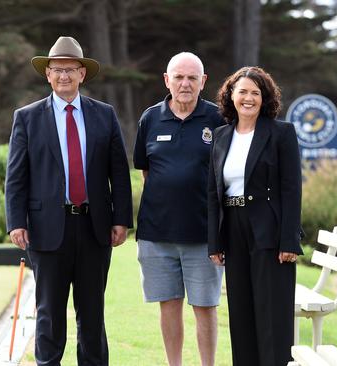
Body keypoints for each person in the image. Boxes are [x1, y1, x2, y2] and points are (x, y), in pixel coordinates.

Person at [5, 36, 133, 366]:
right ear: (47, 74)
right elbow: (16, 176)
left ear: (82, 74)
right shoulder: (27, 117)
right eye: (57, 70)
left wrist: (121, 218)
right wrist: (16, 221)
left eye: (71, 69)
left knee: (92, 315)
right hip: (47, 230)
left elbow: (118, 171)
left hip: (94, 229)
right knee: (49, 315)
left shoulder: (104, 115)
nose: (64, 76)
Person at [207, 66, 303, 365]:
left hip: (269, 231)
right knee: (241, 311)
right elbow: (213, 192)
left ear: (265, 98)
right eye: (242, 91)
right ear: (231, 96)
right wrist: (215, 242)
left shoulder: (281, 133)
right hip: (233, 230)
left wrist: (289, 240)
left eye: (255, 93)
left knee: (272, 312)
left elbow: (291, 189)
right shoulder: (221, 136)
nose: (248, 98)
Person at [133, 52, 224, 366]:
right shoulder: (150, 118)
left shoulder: (219, 118)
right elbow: (146, 171)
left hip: (204, 236)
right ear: (166, 80)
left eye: (192, 77)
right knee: (168, 306)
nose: (185, 83)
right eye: (179, 77)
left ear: (203, 81)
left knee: (205, 307)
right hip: (157, 235)